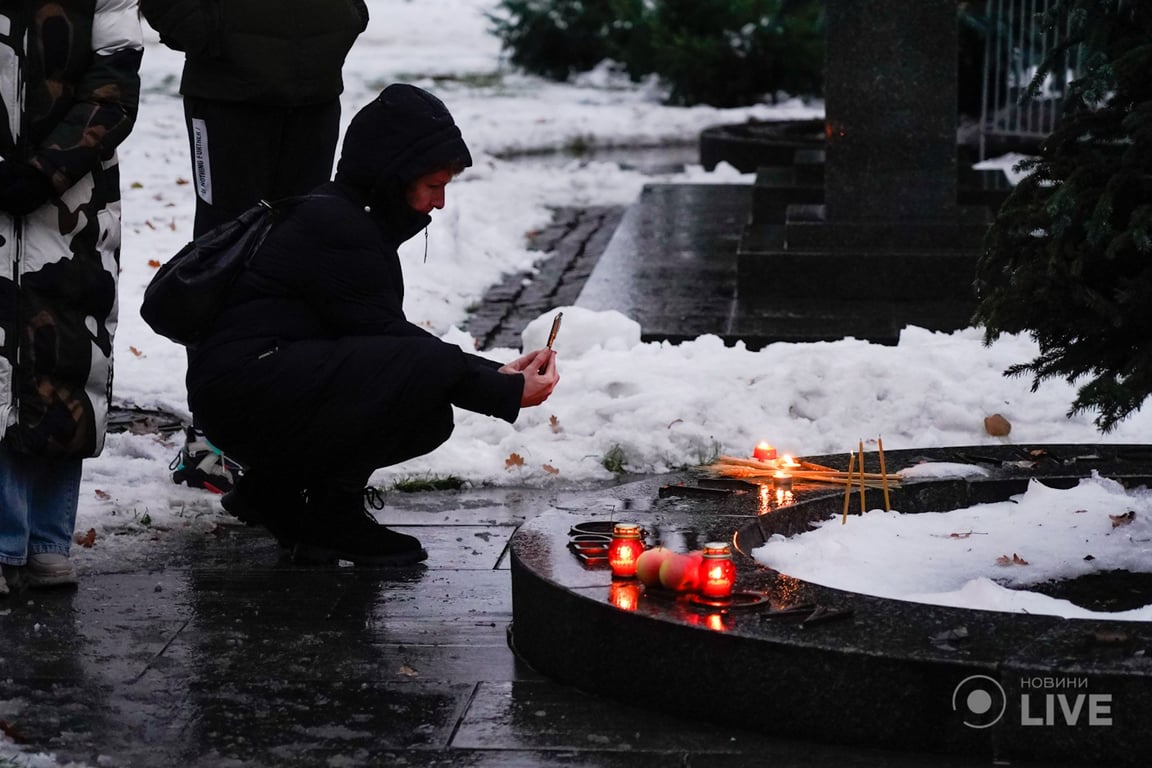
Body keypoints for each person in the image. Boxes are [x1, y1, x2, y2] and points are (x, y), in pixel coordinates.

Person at [186, 84, 560, 567]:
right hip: (246, 391)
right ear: (392, 178)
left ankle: (276, 494)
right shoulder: (339, 228)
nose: (441, 203)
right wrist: (501, 389)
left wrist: (495, 376)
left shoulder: (344, 216)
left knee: (421, 396)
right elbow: (395, 344)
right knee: (418, 384)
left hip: (255, 384)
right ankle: (331, 517)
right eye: (433, 186)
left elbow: (379, 338)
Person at [138, 0, 370, 494]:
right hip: (226, 92)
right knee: (221, 254)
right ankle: (211, 439)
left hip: (313, 88)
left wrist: (344, 17)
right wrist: (203, 31)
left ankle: (283, 426)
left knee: (304, 252)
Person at [0, 0, 144, 595]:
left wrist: (45, 169)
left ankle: (47, 542)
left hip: (71, 202)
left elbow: (115, 79)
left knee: (67, 354)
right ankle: (8, 544)